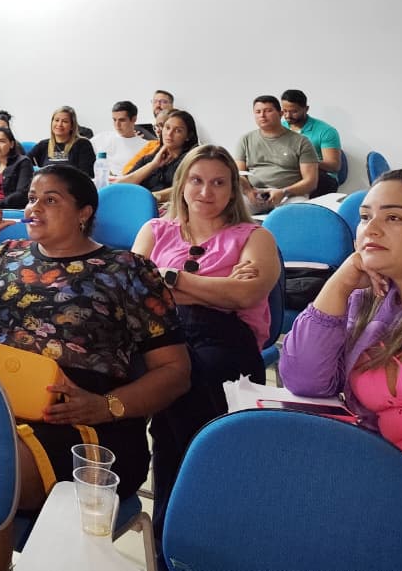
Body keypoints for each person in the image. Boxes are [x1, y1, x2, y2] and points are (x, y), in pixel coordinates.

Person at [0, 164, 190, 570]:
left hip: (89, 424)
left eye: (51, 200)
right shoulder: (9, 255)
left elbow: (176, 372)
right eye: (32, 198)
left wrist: (105, 406)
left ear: (84, 213)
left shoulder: (127, 269)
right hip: (6, 408)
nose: (34, 207)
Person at [130, 144, 279, 558]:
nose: (206, 191)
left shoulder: (255, 237)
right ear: (181, 184)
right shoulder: (155, 230)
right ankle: (187, 536)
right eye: (197, 180)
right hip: (160, 336)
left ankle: (176, 536)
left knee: (183, 389)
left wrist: (169, 279)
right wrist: (217, 287)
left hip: (225, 341)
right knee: (168, 385)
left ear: (233, 190)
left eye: (218, 183)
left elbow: (246, 295)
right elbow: (134, 291)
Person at [281, 169, 402, 478]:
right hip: (376, 469)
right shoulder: (368, 302)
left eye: (393, 218)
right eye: (364, 217)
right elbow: (305, 381)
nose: (370, 230)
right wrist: (340, 283)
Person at [233, 95, 319, 213]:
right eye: (258, 112)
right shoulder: (246, 140)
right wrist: (248, 191)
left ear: (280, 113)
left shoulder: (301, 142)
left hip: (289, 195)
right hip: (255, 194)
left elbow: (310, 182)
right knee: (229, 211)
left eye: (268, 111)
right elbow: (239, 174)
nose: (262, 115)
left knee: (299, 214)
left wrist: (284, 192)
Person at [119, 109, 201, 202]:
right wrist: (153, 165)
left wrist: (150, 198)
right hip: (138, 205)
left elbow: (185, 188)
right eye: (167, 128)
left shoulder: (193, 160)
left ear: (188, 136)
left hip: (164, 207)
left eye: (178, 130)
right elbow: (119, 187)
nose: (169, 134)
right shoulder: (150, 158)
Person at [281, 89, 343, 195]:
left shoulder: (325, 131)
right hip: (288, 173)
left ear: (306, 109)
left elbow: (334, 166)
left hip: (322, 177)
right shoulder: (280, 128)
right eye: (284, 111)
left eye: (294, 112)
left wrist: (305, 161)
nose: (287, 116)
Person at [28, 106, 96, 177]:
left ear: (72, 126)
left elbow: (86, 176)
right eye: (56, 120)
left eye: (65, 121)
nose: (59, 124)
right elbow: (25, 163)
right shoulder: (43, 145)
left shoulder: (83, 144)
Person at [90, 100, 149, 174]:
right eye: (114, 120)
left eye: (122, 120)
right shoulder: (102, 138)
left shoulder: (145, 146)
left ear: (134, 119)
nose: (117, 124)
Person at [121, 109, 171, 175]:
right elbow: (127, 169)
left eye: (161, 126)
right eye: (156, 126)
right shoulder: (152, 144)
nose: (157, 131)